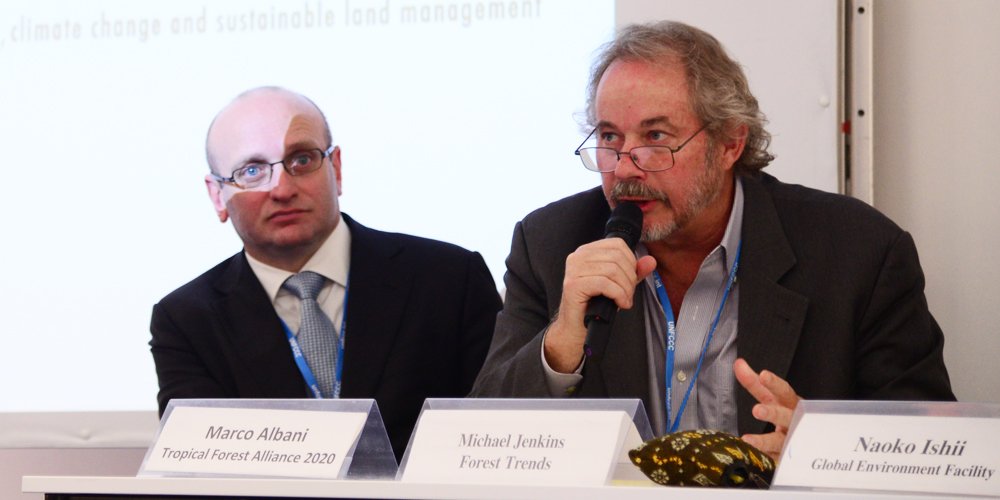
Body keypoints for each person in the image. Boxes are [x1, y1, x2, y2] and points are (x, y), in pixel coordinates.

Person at [470, 21, 954, 460]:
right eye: (610, 137)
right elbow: (478, 441)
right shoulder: (551, 244)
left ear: (729, 144)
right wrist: (558, 348)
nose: (625, 167)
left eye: (656, 136)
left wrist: (823, 452)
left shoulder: (859, 253)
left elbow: (928, 450)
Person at [150, 86, 502, 460]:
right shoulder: (187, 321)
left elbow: (496, 438)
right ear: (217, 195)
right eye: (252, 171)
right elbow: (202, 472)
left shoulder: (450, 280)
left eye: (301, 160)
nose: (282, 189)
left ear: (336, 168)